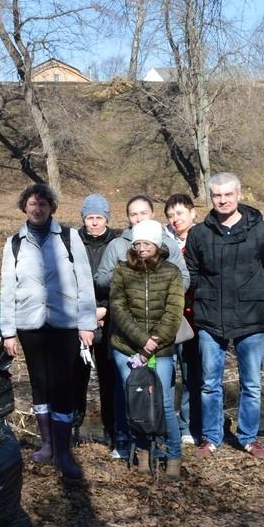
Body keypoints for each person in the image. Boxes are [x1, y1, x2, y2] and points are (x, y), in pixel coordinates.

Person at [0, 183, 96, 479]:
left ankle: (64, 451)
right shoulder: (14, 242)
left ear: (51, 208)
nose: (37, 208)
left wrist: (87, 323)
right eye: (32, 204)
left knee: (63, 384)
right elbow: (7, 289)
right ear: (24, 208)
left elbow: (84, 281)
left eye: (43, 204)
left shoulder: (69, 238)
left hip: (65, 322)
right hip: (29, 323)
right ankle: (47, 444)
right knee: (40, 383)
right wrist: (8, 332)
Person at [185, 172, 264, 459]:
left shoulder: (261, 230)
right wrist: (207, 293)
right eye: (217, 195)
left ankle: (248, 438)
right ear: (211, 198)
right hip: (209, 317)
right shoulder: (200, 233)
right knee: (209, 383)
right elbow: (191, 271)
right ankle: (212, 437)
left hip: (251, 318)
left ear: (239, 195)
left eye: (228, 194)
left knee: (251, 383)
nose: (223, 200)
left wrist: (252, 293)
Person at [93, 194, 189, 459]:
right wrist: (129, 274)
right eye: (133, 214)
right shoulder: (118, 249)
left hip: (162, 340)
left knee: (162, 397)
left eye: (143, 212)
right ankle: (128, 445)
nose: (138, 217)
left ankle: (167, 450)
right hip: (127, 338)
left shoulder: (168, 253)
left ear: (152, 214)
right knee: (128, 394)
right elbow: (111, 292)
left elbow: (180, 287)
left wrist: (156, 335)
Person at [109, 219, 187, 478]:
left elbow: (173, 312)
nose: (142, 248)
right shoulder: (122, 272)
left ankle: (173, 454)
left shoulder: (171, 272)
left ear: (157, 244)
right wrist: (142, 340)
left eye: (147, 243)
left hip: (160, 350)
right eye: (138, 243)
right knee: (137, 400)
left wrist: (153, 342)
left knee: (163, 402)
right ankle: (143, 452)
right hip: (127, 347)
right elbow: (118, 308)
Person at [70, 194, 121, 453]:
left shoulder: (117, 242)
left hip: (109, 318)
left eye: (99, 218)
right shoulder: (71, 241)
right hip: (79, 319)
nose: (94, 223)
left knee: (109, 377)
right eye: (90, 218)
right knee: (77, 377)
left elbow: (123, 283)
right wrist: (84, 313)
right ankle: (72, 429)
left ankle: (111, 431)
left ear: (106, 219)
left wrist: (105, 309)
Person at [165, 192, 201, 447]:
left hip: (195, 318)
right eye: (170, 215)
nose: (175, 219)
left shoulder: (202, 238)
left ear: (192, 213)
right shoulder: (163, 241)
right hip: (168, 319)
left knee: (192, 374)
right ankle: (167, 422)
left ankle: (189, 424)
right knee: (166, 374)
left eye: (179, 213)